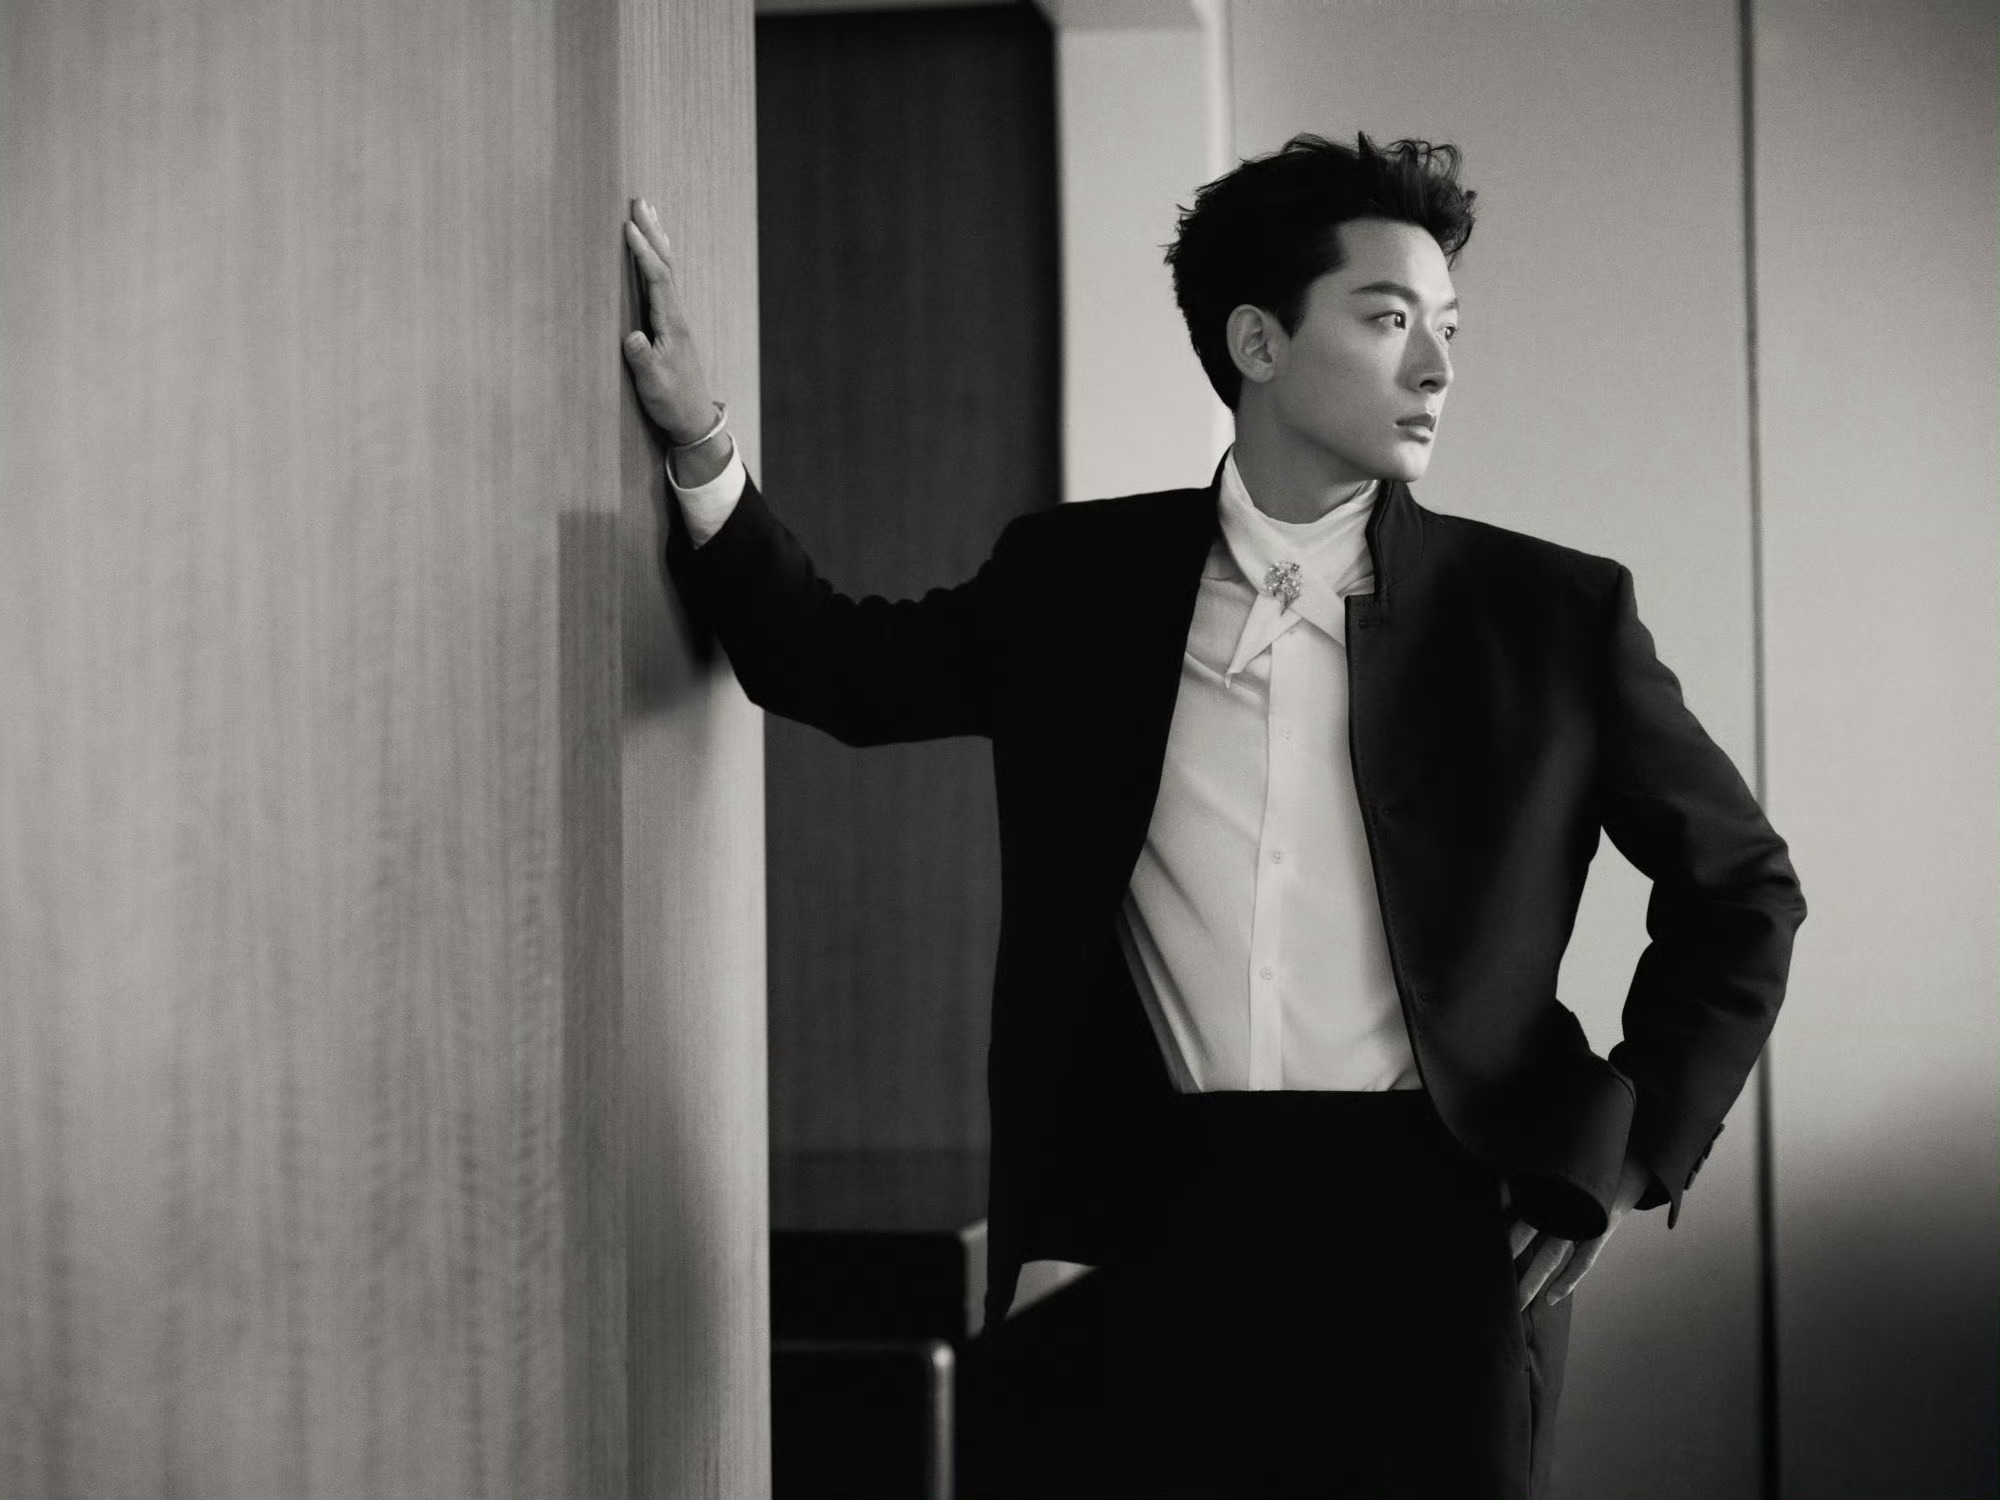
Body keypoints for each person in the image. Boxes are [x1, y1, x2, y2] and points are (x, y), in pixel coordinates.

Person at [620, 133, 1804, 1499]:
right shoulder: (1076, 582)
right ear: (1258, 341)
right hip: (1152, 1221)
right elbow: (834, 666)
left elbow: (1743, 890)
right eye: (1389, 319)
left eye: (1448, 326)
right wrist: (699, 442)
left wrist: (1631, 1152)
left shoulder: (1550, 616)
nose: (1437, 367)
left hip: (1449, 1234)